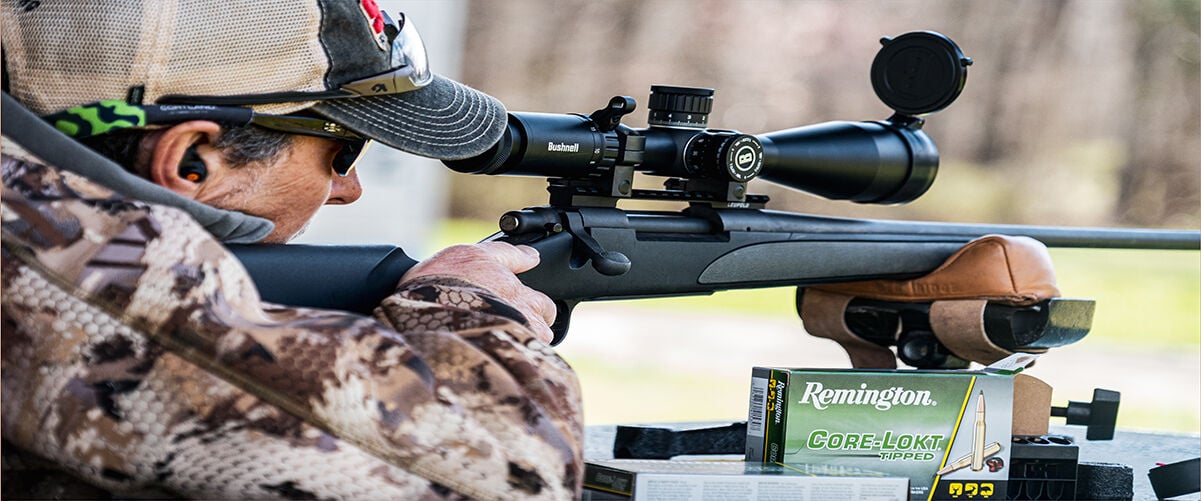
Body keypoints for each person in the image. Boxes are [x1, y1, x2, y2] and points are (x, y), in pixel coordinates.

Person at [1, 0, 582, 499]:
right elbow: (509, 475)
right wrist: (464, 305)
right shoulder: (61, 254)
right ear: (191, 160)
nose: (349, 190)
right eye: (343, 154)